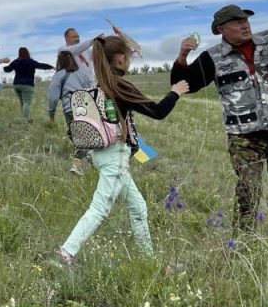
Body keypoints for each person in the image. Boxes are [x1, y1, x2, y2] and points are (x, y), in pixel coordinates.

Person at [58, 36, 189, 264]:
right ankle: (66, 253)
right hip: (115, 155)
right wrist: (175, 92)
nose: (129, 61)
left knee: (138, 207)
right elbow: (158, 111)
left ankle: (147, 260)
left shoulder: (100, 83)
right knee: (100, 208)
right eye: (128, 56)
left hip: (100, 153)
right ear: (120, 58)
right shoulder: (119, 84)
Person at [171, 5, 268, 238]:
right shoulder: (212, 58)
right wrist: (182, 56)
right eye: (237, 22)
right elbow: (183, 84)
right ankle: (243, 245)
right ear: (221, 29)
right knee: (247, 194)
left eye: (245, 20)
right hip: (244, 138)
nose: (245, 24)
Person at [47, 51, 95, 175]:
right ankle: (91, 158)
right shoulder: (82, 73)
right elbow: (92, 87)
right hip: (86, 108)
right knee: (83, 136)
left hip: (70, 110)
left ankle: (77, 164)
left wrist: (51, 114)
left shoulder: (58, 75)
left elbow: (53, 97)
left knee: (79, 137)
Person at [3, 47, 54, 123]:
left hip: (17, 85)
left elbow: (7, 69)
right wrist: (51, 67)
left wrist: (2, 66)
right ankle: (24, 120)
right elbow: (41, 65)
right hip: (27, 85)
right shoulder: (30, 61)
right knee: (26, 103)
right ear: (27, 53)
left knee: (22, 103)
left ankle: (26, 118)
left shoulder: (16, 62)